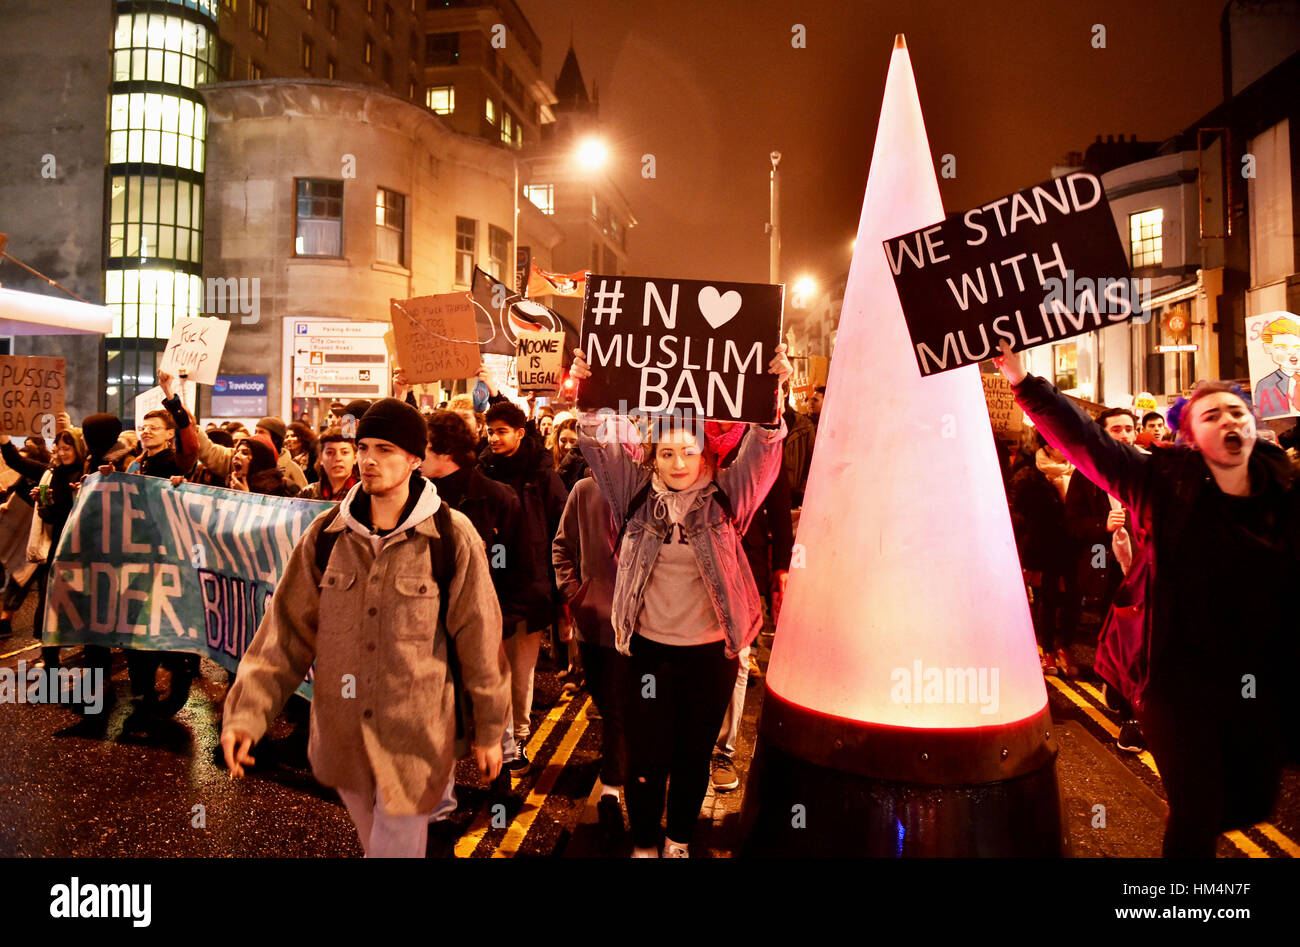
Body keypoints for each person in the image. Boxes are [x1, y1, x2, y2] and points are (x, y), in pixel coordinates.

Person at [996, 339, 1300, 858]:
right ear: (1191, 436)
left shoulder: (1283, 490)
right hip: (1174, 674)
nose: (1229, 421)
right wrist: (1025, 382)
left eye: (1236, 412)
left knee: (1249, 801)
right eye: (1211, 415)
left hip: (1255, 672)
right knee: (1198, 809)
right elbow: (1086, 442)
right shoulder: (1161, 482)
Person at [221, 398, 510, 858]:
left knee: (393, 850)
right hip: (343, 737)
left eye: (387, 449)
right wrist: (246, 714)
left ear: (416, 459)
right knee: (374, 843)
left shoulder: (452, 537)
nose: (369, 460)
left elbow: (480, 639)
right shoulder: (325, 535)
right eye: (364, 447)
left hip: (415, 739)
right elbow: (284, 635)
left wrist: (491, 730)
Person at [569, 343, 790, 858]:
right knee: (646, 757)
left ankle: (679, 842)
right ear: (653, 455)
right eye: (666, 452)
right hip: (647, 652)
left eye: (687, 451)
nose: (677, 462)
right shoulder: (634, 494)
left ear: (706, 454)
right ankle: (645, 846)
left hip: (710, 656)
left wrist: (771, 396)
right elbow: (599, 447)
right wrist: (589, 394)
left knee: (693, 755)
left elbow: (763, 453)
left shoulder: (728, 499)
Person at [422, 409, 526, 794]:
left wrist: (505, 620)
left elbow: (521, 562)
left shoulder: (496, 497)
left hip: (483, 618)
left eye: (423, 448)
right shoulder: (414, 499)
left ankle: (499, 785)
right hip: (430, 624)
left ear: (445, 450)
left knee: (490, 699)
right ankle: (438, 802)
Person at [478, 400, 568, 776]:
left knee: (521, 669)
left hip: (531, 584)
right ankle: (500, 739)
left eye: (501, 431)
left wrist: (560, 591)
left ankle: (519, 734)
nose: (494, 438)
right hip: (491, 583)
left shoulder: (542, 473)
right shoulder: (482, 470)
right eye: (490, 431)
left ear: (519, 432)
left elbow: (562, 529)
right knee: (493, 667)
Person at [706, 419, 793, 793]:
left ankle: (723, 750)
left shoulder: (759, 431)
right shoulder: (687, 425)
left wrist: (782, 565)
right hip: (693, 559)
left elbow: (778, 499)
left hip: (746, 558)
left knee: (738, 656)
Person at [552, 471, 630, 852]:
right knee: (605, 701)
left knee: (621, 708)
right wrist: (575, 593)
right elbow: (562, 546)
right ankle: (618, 772)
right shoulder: (584, 491)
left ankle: (613, 784)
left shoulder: (647, 489)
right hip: (595, 622)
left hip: (642, 625)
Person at [1008, 429, 1076, 677]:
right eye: (1057, 443)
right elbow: (1020, 516)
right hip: (1043, 545)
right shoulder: (1029, 473)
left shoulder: (1080, 470)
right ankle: (1047, 649)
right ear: (1046, 446)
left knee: (1074, 599)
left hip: (1075, 544)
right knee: (1047, 599)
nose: (1063, 448)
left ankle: (1065, 646)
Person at [297, 428, 358, 502]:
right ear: (321, 458)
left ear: (355, 458)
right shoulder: (307, 494)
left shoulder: (366, 494)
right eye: (330, 452)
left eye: (344, 452)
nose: (338, 458)